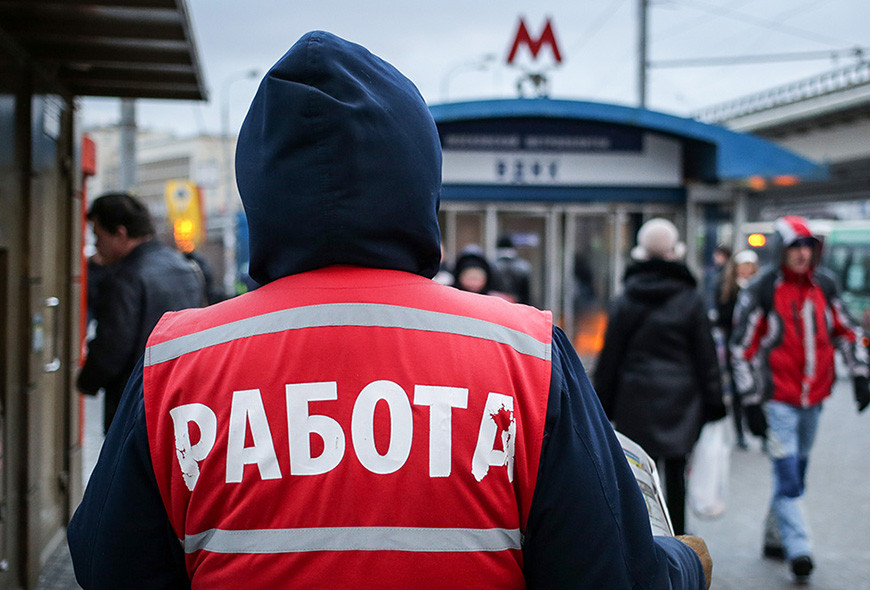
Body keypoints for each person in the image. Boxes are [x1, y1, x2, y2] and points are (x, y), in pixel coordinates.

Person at [67, 32, 712, 590]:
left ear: (259, 185)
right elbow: (611, 575)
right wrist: (687, 562)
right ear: (417, 177)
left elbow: (107, 563)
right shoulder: (525, 355)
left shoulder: (178, 361)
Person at [729, 215, 870, 583]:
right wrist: (749, 402)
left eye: (808, 246)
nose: (802, 254)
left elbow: (848, 330)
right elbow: (740, 348)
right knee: (788, 474)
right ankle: (800, 550)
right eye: (795, 247)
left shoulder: (825, 285)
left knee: (797, 472)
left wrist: (859, 375)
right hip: (777, 400)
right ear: (781, 250)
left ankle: (775, 537)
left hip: (815, 400)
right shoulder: (761, 290)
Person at [593, 217, 726, 535]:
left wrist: (600, 406)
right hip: (682, 399)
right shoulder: (691, 299)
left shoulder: (625, 299)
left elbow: (610, 358)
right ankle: (680, 540)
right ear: (675, 254)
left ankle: (644, 537)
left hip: (635, 398)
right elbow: (706, 357)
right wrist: (714, 403)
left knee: (638, 475)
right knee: (677, 473)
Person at [76, 192, 204, 432]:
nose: (96, 245)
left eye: (98, 235)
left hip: (134, 405)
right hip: (183, 399)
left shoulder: (125, 277)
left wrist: (86, 381)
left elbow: (112, 348)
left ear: (120, 233)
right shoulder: (185, 267)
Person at [715, 249, 759, 450]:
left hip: (757, 350)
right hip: (735, 349)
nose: (747, 270)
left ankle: (762, 432)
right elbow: (722, 317)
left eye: (750, 266)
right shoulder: (727, 289)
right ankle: (740, 433)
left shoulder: (761, 290)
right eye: (743, 266)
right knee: (738, 392)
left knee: (759, 389)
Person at [492, 235, 533, 305]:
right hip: (518, 305)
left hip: (497, 304)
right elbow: (527, 293)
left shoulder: (492, 265)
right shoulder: (523, 266)